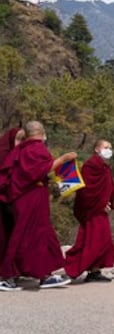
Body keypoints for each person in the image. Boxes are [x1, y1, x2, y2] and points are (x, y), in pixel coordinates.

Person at [0, 121, 75, 291]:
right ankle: (9, 278)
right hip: (31, 198)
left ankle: (45, 275)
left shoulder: (20, 150)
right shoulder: (37, 148)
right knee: (27, 237)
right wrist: (63, 159)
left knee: (41, 236)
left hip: (25, 198)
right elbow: (40, 170)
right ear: (42, 132)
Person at [64, 139, 114, 282]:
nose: (109, 150)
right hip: (93, 211)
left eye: (110, 148)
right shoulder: (90, 165)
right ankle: (71, 270)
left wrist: (108, 203)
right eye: (106, 147)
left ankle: (94, 271)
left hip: (101, 210)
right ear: (97, 149)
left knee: (103, 241)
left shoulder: (104, 167)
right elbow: (86, 191)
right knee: (92, 242)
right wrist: (100, 204)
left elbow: (108, 188)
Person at [0, 127, 24, 266]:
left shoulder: (21, 154)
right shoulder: (3, 154)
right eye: (19, 139)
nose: (21, 143)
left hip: (14, 201)